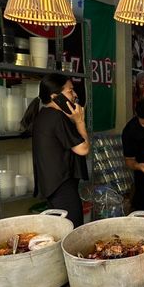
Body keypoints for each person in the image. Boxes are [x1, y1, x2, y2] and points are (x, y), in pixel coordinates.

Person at [20, 74, 89, 226]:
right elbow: (83, 149)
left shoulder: (45, 115)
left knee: (62, 230)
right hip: (62, 186)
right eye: (70, 91)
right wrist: (80, 121)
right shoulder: (56, 117)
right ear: (55, 96)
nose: (75, 95)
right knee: (72, 231)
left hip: (54, 187)